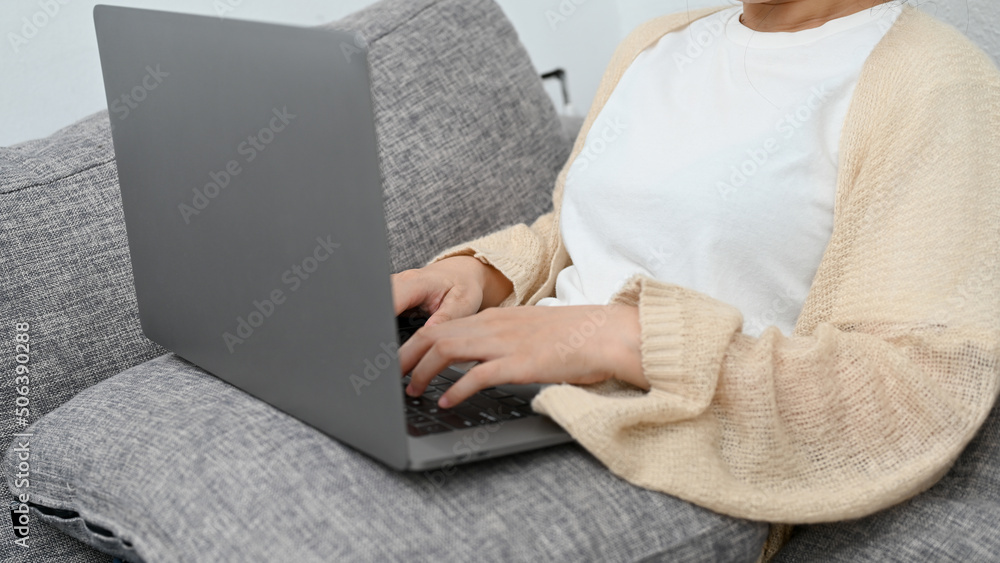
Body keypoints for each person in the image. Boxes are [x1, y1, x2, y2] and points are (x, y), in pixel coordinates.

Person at [391, 0, 1000, 557]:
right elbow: (582, 230)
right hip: (515, 387)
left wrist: (625, 339)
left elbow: (912, 393)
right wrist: (479, 275)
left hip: (682, 446)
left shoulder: (939, 85)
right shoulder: (659, 41)